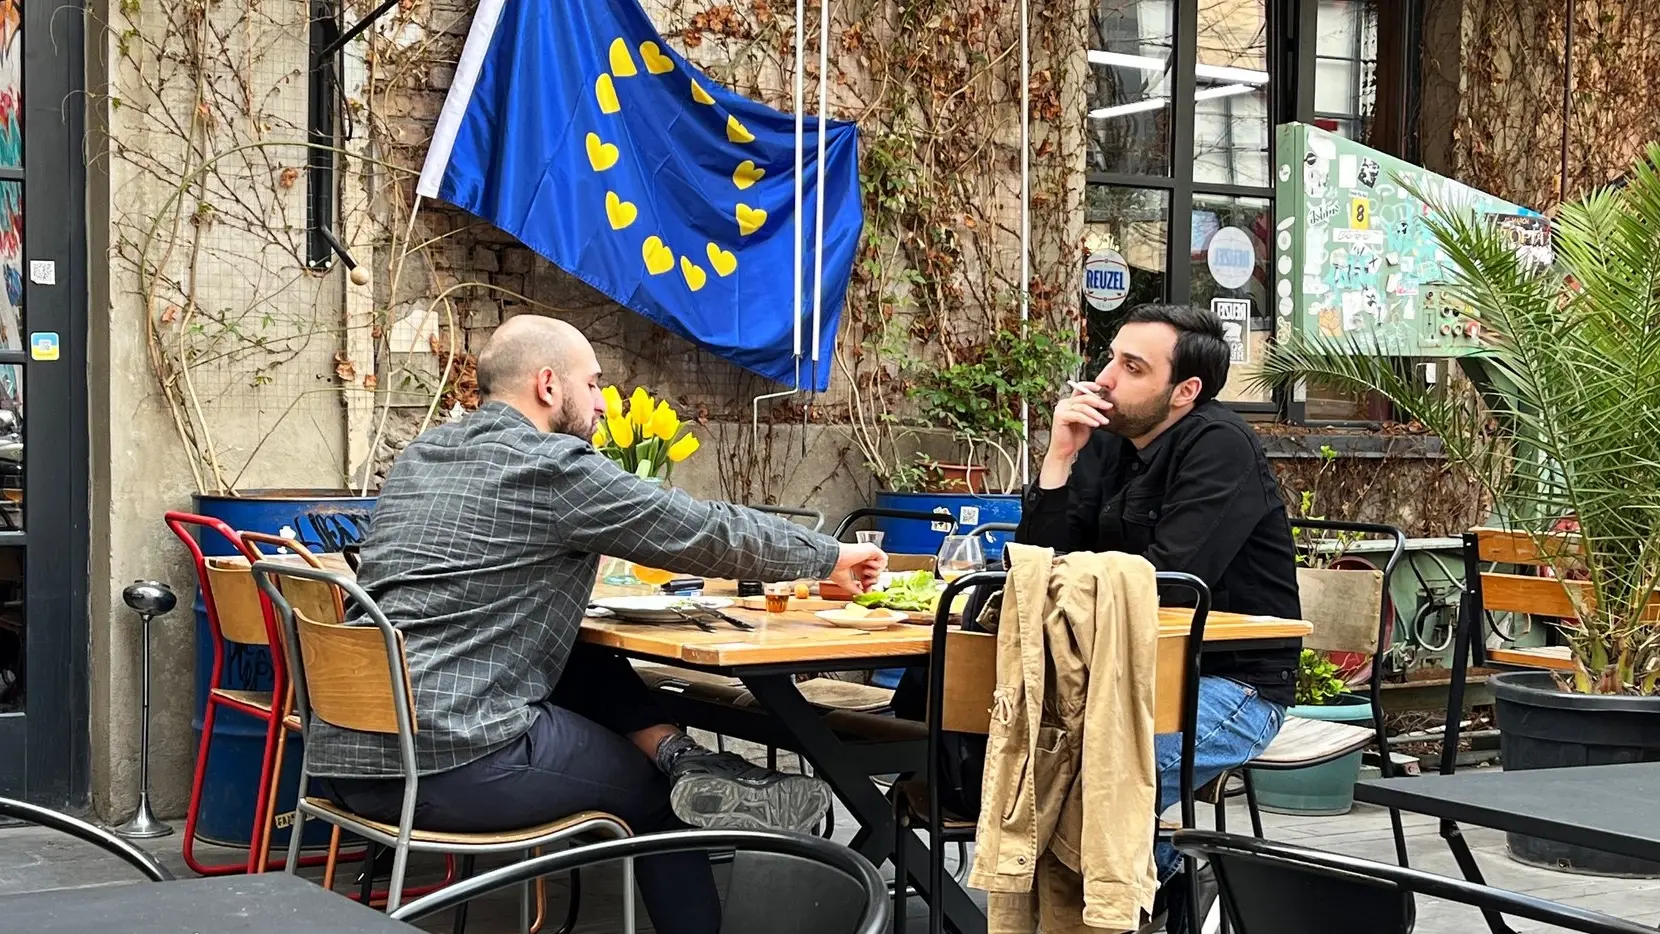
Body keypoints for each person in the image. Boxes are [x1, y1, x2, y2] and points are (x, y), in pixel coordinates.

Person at [305, 315, 888, 934]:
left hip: (346, 757)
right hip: (452, 761)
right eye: (596, 384)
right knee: (663, 804)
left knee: (582, 656)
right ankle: (681, 779)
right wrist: (828, 555)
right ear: (549, 385)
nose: (604, 403)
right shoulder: (551, 466)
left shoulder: (423, 455)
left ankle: (683, 756)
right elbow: (698, 529)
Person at [1019, 303, 1301, 928]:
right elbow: (1040, 568)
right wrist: (1060, 457)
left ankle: (1147, 886)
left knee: (1085, 774)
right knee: (1019, 753)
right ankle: (1162, 878)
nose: (1105, 378)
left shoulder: (1220, 446)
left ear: (1185, 391)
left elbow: (1168, 584)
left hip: (1230, 685)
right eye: (1110, 357)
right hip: (1116, 681)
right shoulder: (1103, 440)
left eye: (1132, 366)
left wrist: (1078, 579)